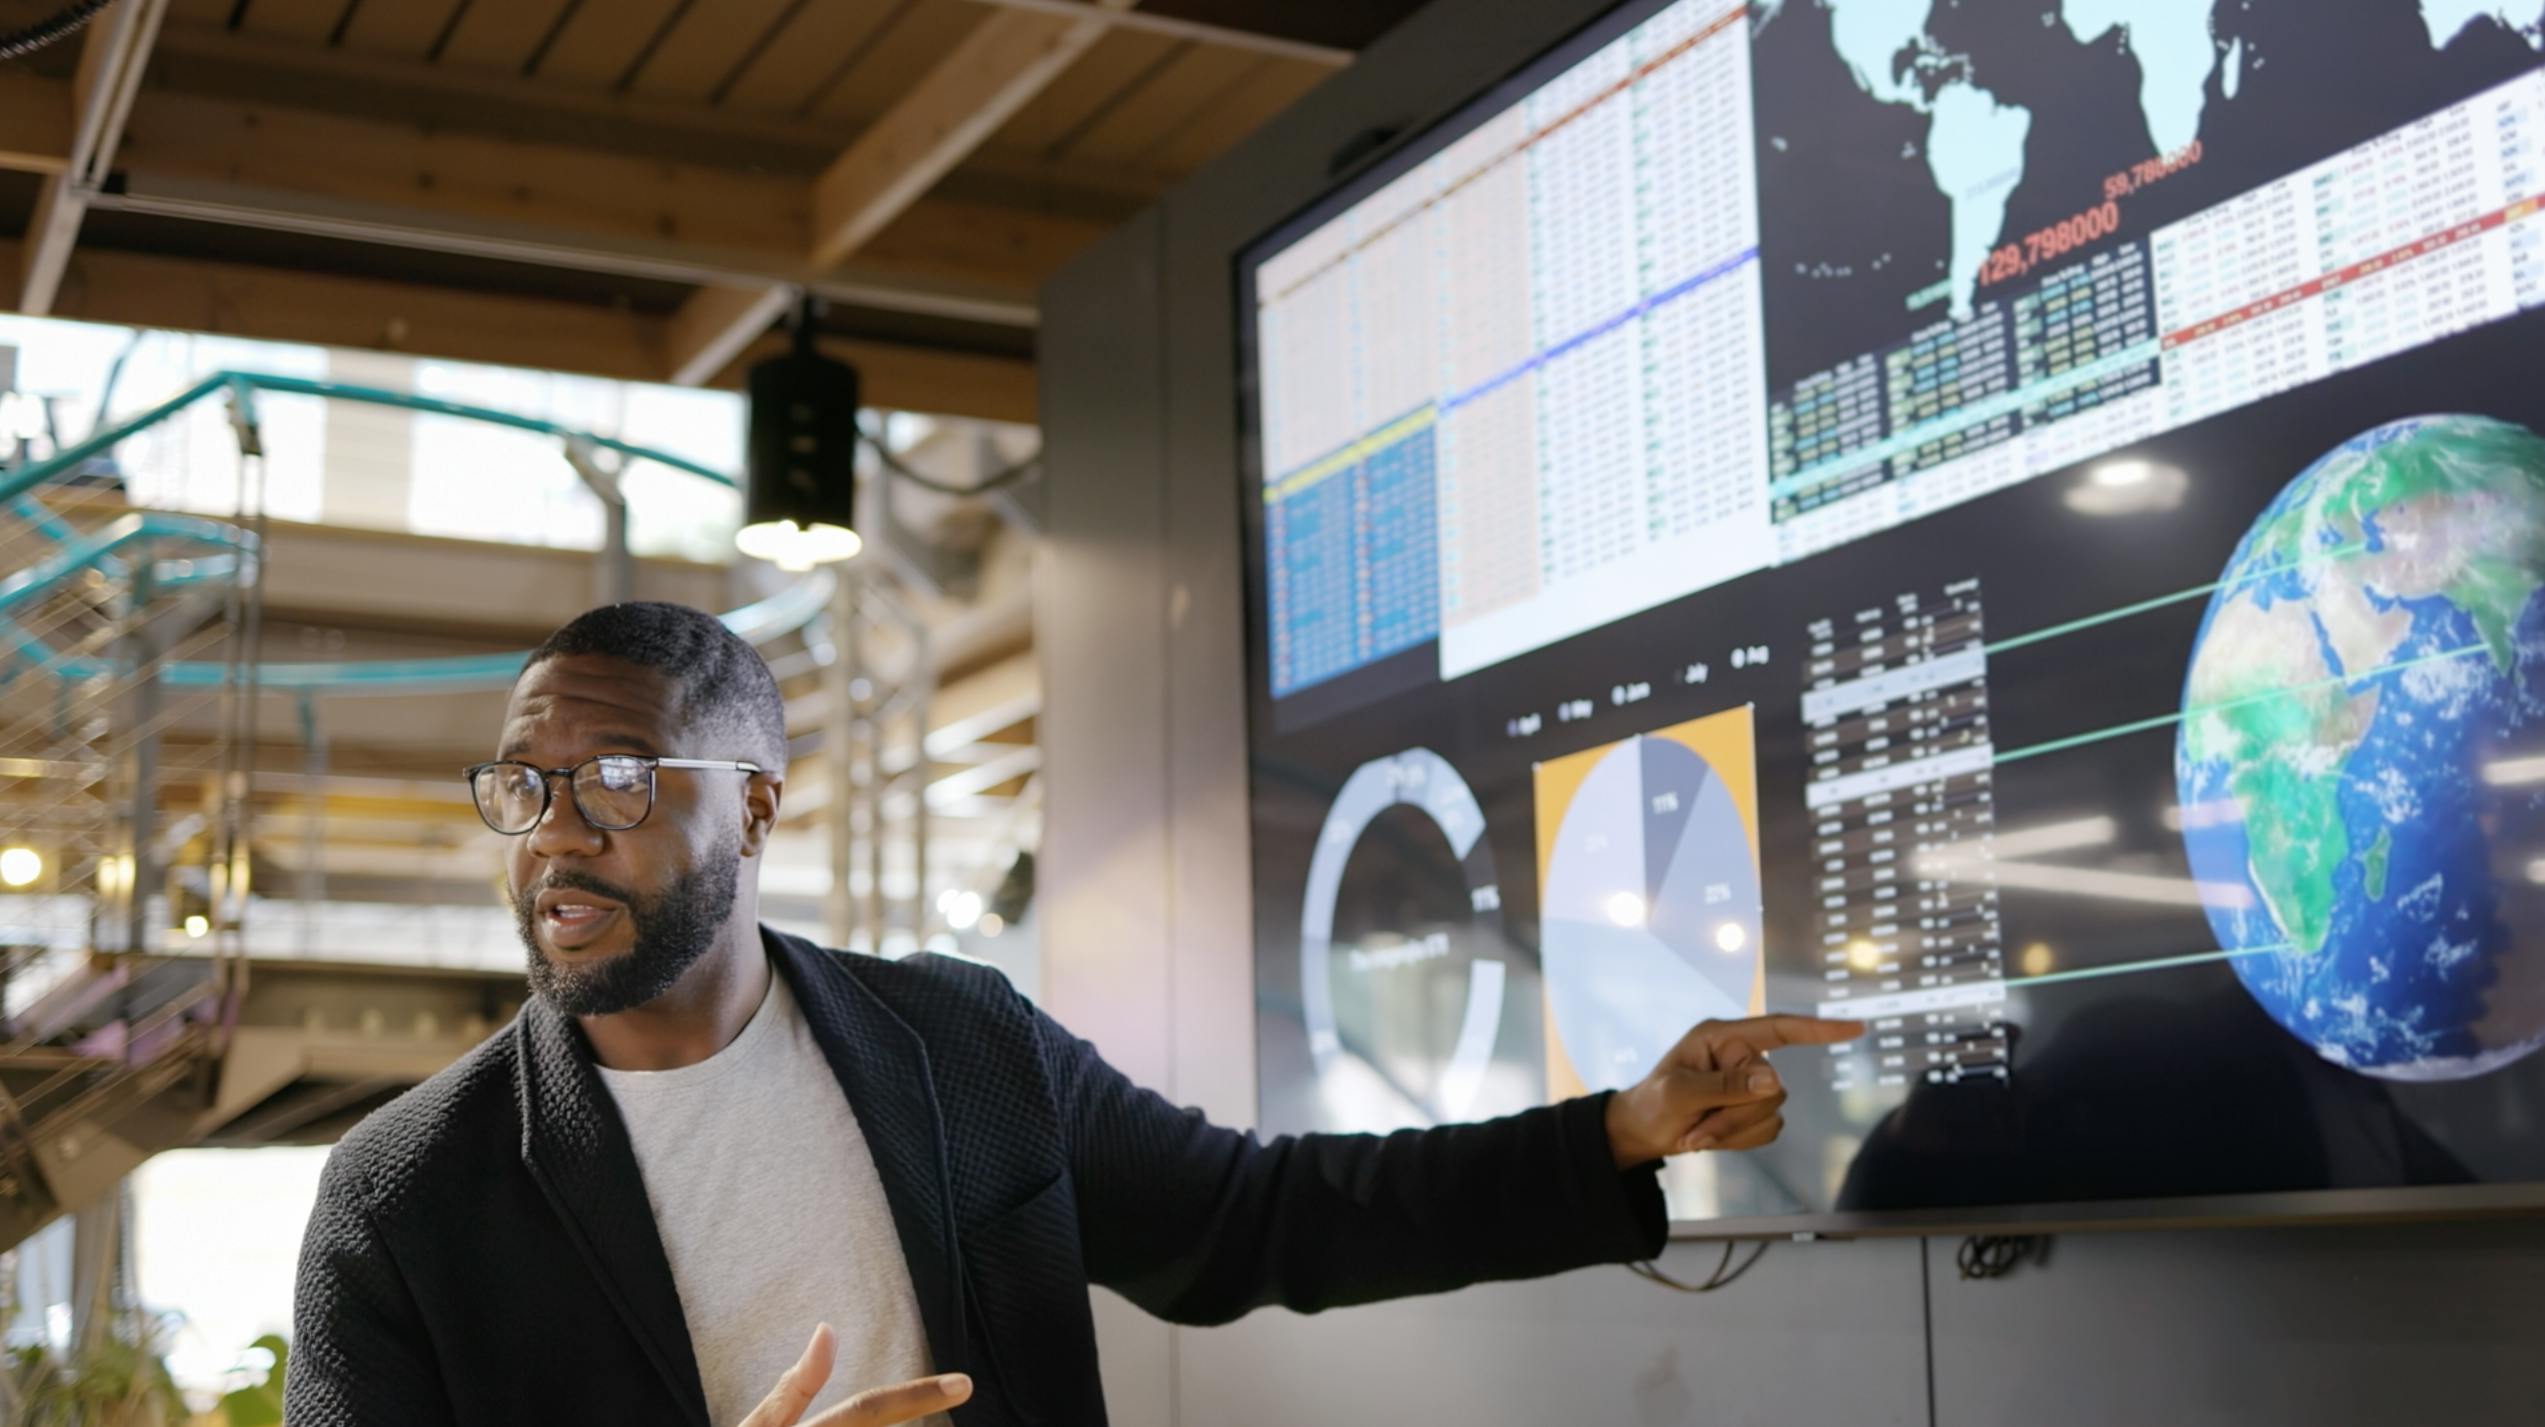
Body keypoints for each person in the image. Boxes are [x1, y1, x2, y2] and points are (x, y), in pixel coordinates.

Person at [286, 602, 1859, 1427]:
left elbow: (1258, 1221)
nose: (555, 836)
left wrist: (1618, 1132)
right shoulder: (404, 1194)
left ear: (754, 806)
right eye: (522, 788)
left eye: (618, 782)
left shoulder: (959, 1045)